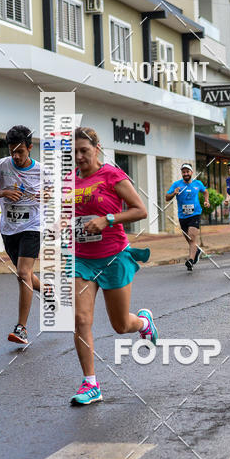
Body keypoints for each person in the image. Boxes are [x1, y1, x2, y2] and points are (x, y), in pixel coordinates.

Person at [69, 127, 157, 406]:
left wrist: (107, 219)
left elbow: (140, 210)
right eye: (74, 152)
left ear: (97, 148)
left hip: (113, 257)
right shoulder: (69, 181)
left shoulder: (111, 175)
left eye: (84, 150)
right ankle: (90, 383)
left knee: (120, 325)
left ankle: (144, 323)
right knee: (81, 319)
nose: (79, 156)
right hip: (82, 259)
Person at [0, 125, 53, 345]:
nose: (16, 155)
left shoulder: (42, 170)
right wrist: (3, 192)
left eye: (20, 151)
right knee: (25, 275)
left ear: (30, 148)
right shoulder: (1, 166)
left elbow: (51, 193)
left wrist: (45, 195)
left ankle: (21, 328)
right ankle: (47, 290)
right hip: (9, 230)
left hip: (32, 227)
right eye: (12, 150)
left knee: (23, 273)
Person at [166, 164, 210, 271]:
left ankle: (190, 260)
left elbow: (205, 191)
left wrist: (206, 200)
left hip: (195, 214)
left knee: (191, 237)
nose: (185, 174)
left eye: (187, 172)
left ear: (191, 172)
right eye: (183, 172)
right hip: (182, 216)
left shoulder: (197, 183)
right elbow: (167, 197)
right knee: (190, 240)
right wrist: (174, 193)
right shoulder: (177, 184)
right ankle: (197, 251)